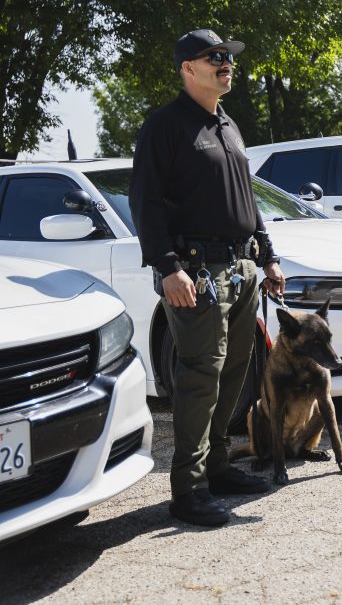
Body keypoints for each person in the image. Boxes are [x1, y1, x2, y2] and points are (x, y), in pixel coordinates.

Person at [129, 28, 287, 527]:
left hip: (241, 270)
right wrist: (167, 266)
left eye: (227, 57)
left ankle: (217, 469)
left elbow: (247, 197)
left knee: (235, 372)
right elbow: (145, 202)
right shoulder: (165, 126)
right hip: (197, 273)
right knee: (200, 378)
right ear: (187, 68)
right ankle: (188, 490)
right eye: (213, 57)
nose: (225, 63)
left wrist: (267, 257)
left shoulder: (228, 124)